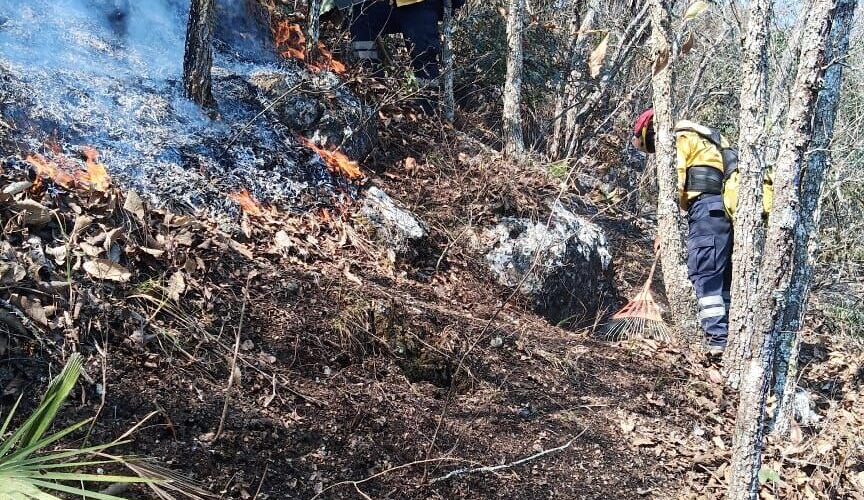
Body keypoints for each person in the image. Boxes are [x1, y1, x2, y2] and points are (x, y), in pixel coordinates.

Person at [631, 109, 732, 354]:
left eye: (650, 146)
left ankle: (717, 340)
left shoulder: (680, 137)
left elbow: (674, 181)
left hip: (706, 210)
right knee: (723, 279)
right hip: (726, 212)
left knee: (704, 273)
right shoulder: (711, 139)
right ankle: (726, 335)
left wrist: (664, 229)